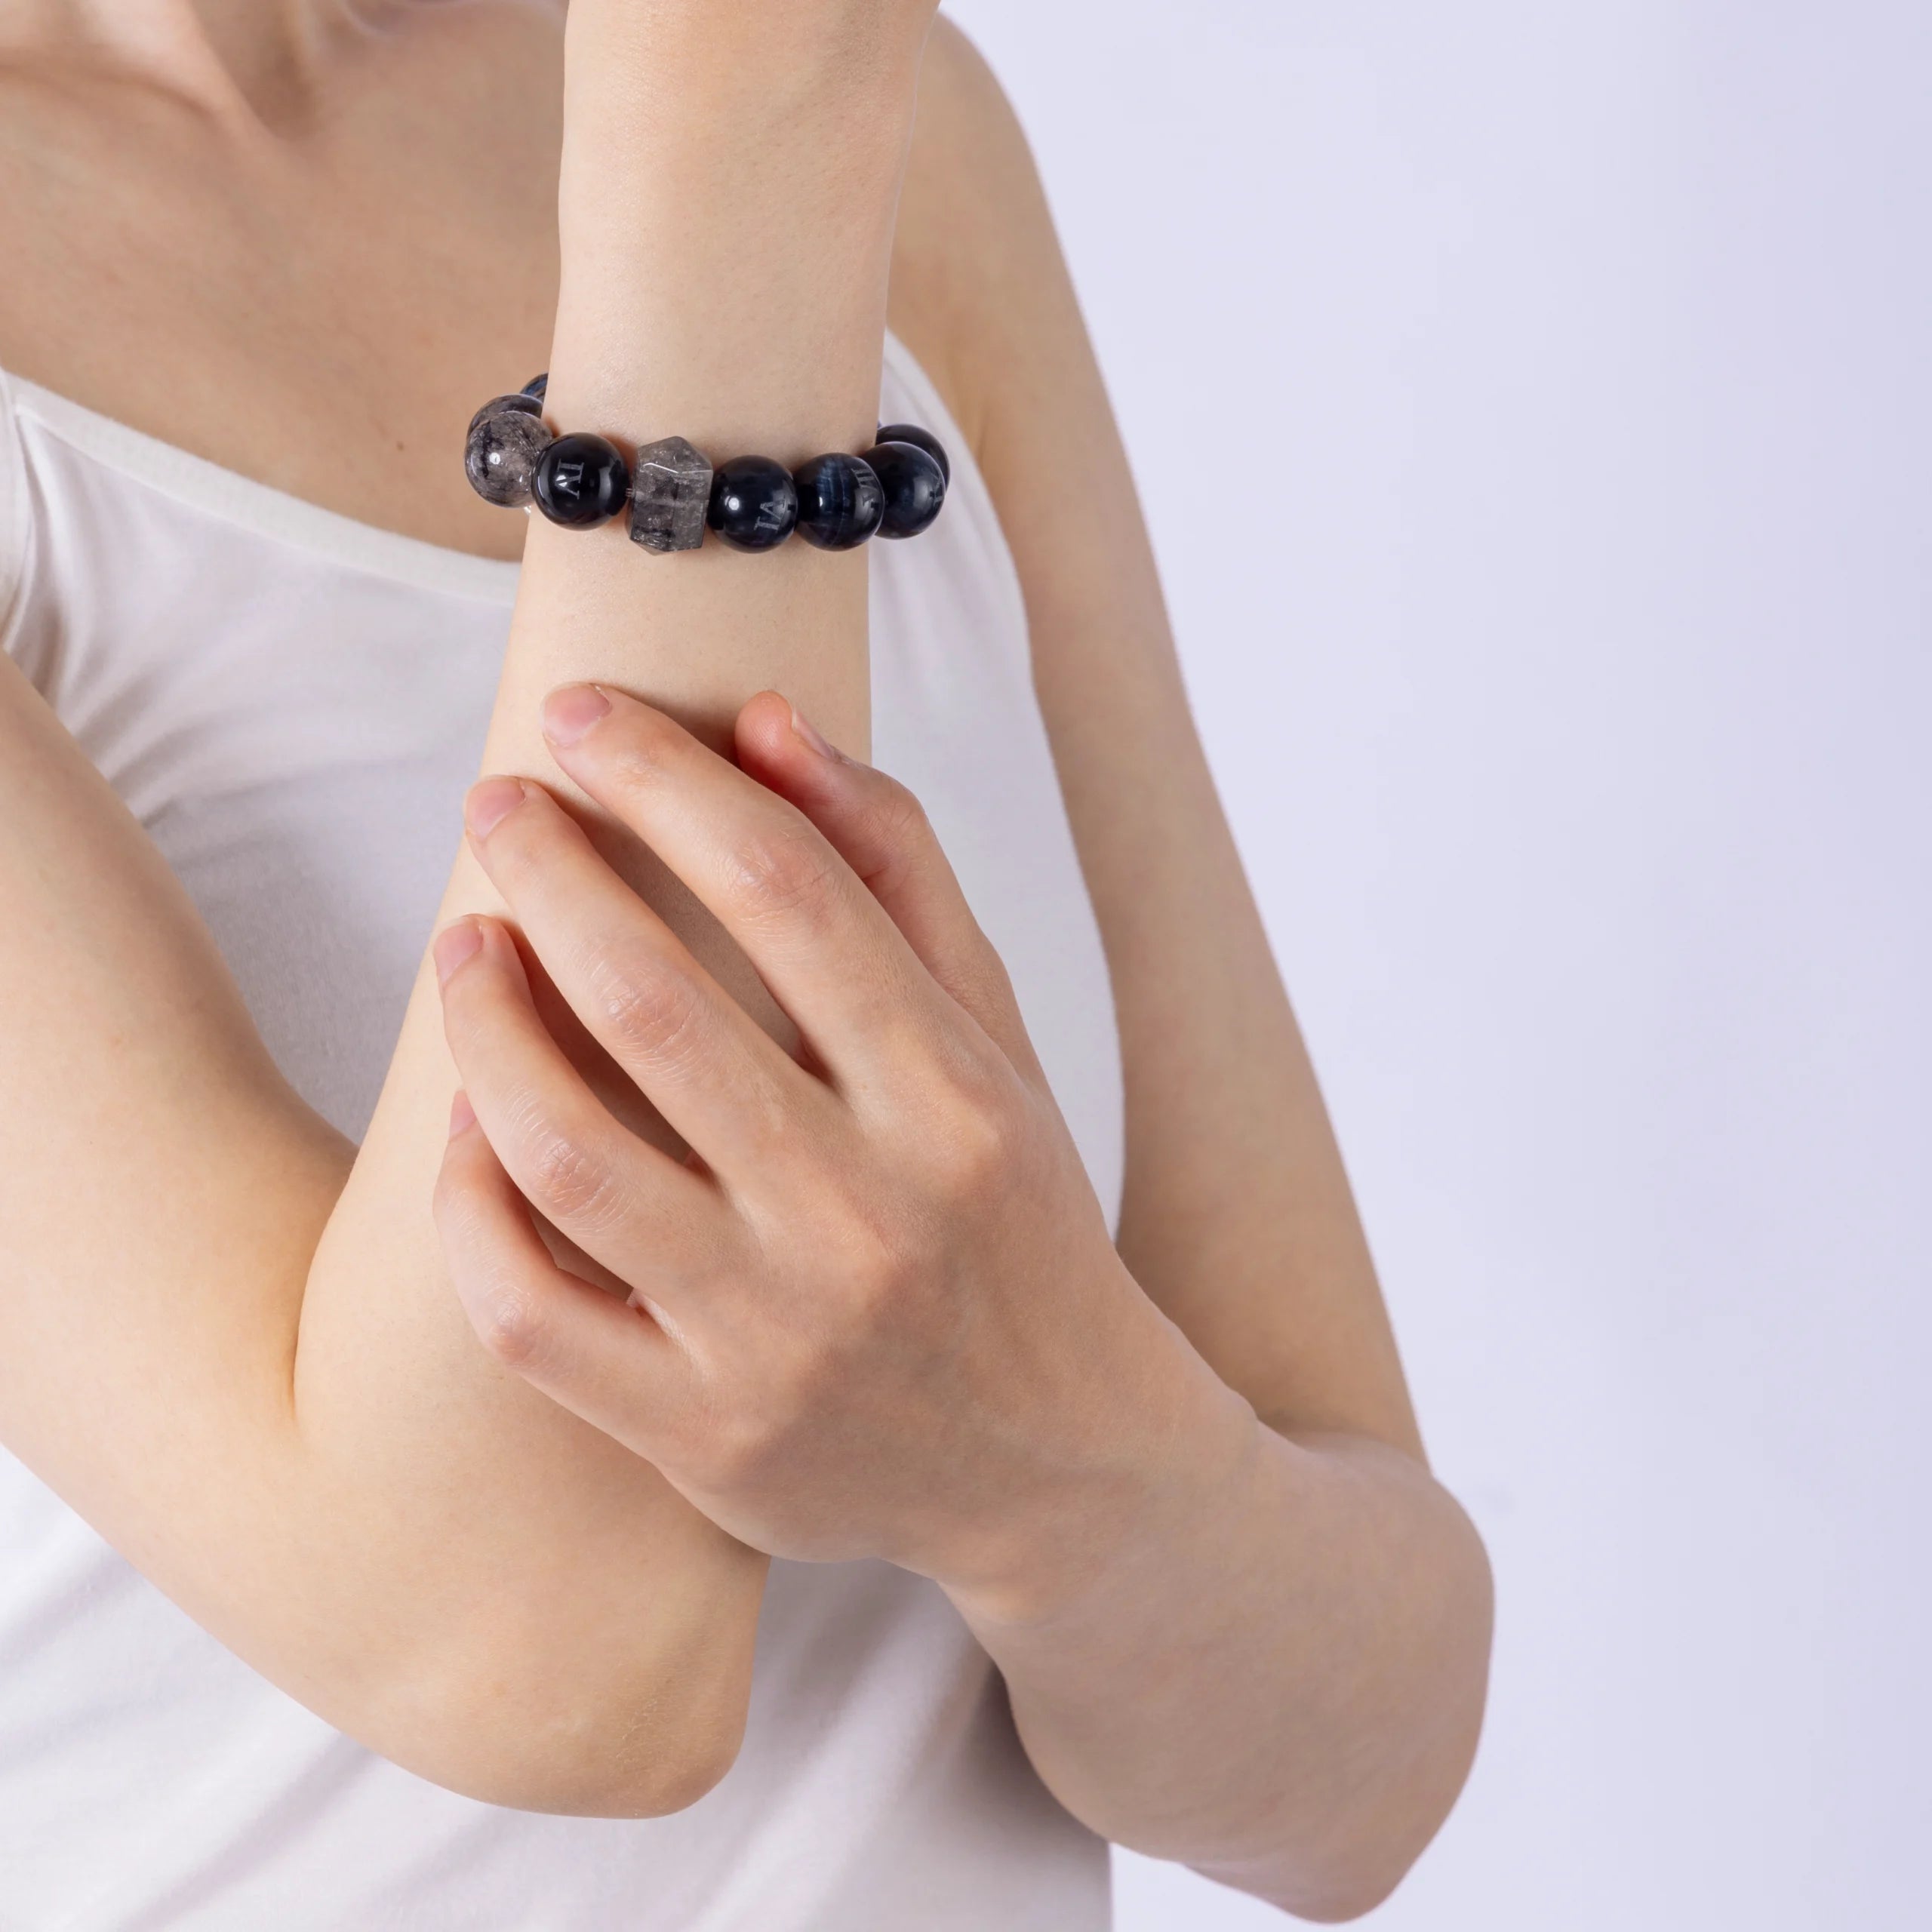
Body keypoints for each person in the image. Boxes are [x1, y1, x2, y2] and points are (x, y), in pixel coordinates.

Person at [0, 2, 1493, 1924]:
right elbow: (555, 1658)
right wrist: (723, 113)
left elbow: (1367, 1761)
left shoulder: (893, 124)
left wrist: (1050, 1473)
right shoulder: (766, 99)